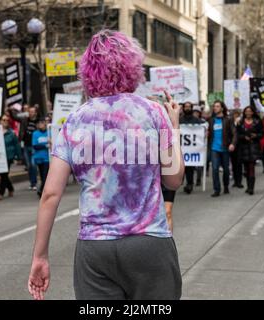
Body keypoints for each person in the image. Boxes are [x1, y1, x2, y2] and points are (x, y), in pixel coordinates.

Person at [28, 30, 184, 300]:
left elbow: (50, 195)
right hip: (149, 243)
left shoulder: (75, 120)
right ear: (133, 67)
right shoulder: (153, 112)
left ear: (88, 72)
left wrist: (40, 256)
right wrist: (175, 127)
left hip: (95, 248)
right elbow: (173, 180)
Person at [208, 101, 237, 197]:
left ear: (222, 108)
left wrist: (232, 144)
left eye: (217, 106)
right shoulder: (211, 120)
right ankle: (216, 189)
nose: (215, 108)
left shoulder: (228, 119)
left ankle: (226, 186)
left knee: (226, 169)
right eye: (214, 106)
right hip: (214, 148)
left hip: (225, 148)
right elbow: (209, 132)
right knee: (215, 169)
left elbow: (234, 133)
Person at [10, 104, 39, 191]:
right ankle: (32, 182)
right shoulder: (24, 120)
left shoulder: (38, 122)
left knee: (33, 165)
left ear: (35, 113)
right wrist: (11, 111)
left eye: (32, 112)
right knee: (29, 165)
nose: (31, 113)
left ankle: (34, 182)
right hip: (26, 145)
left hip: (34, 146)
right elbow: (15, 117)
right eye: (29, 112)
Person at [236, 106, 263, 195]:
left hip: (253, 147)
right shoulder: (240, 122)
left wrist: (256, 136)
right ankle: (248, 186)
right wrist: (244, 137)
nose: (248, 113)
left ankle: (251, 188)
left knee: (251, 167)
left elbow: (262, 133)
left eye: (249, 111)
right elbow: (237, 134)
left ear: (252, 112)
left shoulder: (257, 122)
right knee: (246, 168)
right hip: (243, 148)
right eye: (246, 111)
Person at [180, 101, 204, 194]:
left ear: (191, 108)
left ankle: (190, 184)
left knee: (189, 167)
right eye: (185, 106)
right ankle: (183, 182)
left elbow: (203, 127)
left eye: (189, 107)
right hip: (181, 148)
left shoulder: (196, 120)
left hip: (192, 149)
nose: (187, 108)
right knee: (182, 168)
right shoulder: (179, 120)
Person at [0, 115, 22, 201]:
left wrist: (19, 157)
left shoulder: (11, 133)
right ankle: (11, 188)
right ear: (0, 121)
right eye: (3, 120)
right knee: (2, 174)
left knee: (4, 174)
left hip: (8, 156)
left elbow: (17, 145)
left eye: (7, 120)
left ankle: (1, 192)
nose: (5, 121)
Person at [32, 119, 50, 198]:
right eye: (39, 123)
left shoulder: (49, 133)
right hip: (39, 158)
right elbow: (35, 146)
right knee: (42, 176)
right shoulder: (35, 133)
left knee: (45, 175)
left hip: (47, 158)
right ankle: (42, 190)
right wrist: (45, 145)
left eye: (42, 123)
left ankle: (41, 191)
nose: (40, 124)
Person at [230, 109, 244, 189]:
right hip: (232, 145)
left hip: (239, 145)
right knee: (233, 163)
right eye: (234, 114)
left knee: (239, 163)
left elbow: (241, 132)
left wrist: (238, 124)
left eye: (237, 114)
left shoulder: (241, 122)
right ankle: (235, 181)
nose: (235, 116)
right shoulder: (231, 122)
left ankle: (239, 181)